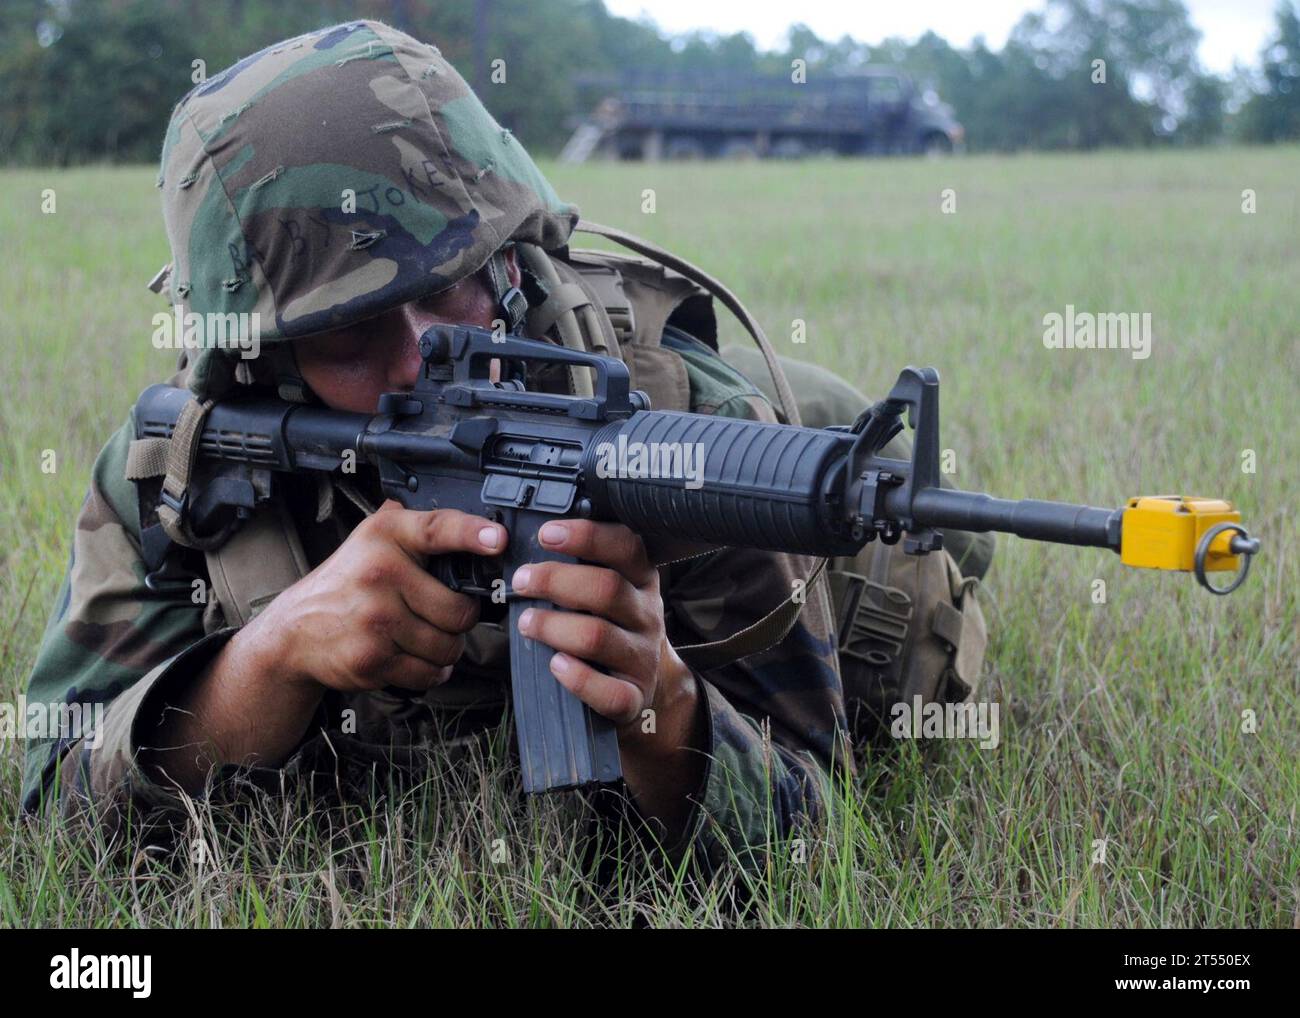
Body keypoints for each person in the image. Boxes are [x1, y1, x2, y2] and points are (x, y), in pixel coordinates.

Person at [20, 20, 991, 870]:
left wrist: (661, 706)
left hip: (838, 524)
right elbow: (50, 818)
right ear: (261, 360)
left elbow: (817, 845)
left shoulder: (689, 437)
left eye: (450, 290)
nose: (421, 362)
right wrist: (264, 664)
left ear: (510, 257)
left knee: (901, 547)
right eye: (350, 335)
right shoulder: (186, 465)